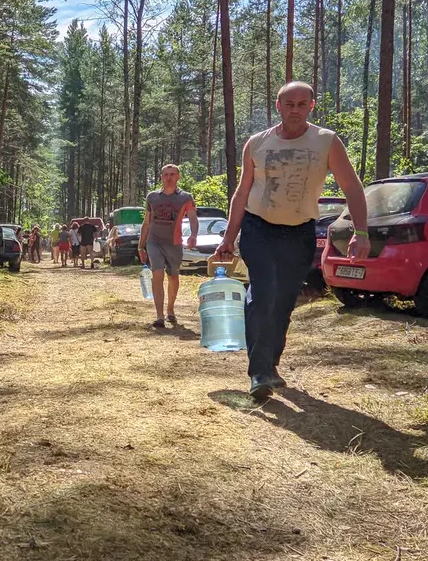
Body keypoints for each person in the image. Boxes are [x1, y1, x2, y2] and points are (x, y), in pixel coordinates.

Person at [214, 81, 370, 399]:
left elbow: (352, 188)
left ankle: (271, 365)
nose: (295, 110)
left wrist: (362, 232)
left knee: (284, 302)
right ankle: (258, 372)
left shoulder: (326, 142)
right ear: (278, 106)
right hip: (258, 229)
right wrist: (229, 238)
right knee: (262, 293)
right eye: (289, 104)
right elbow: (242, 193)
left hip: (299, 232)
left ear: (311, 106)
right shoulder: (257, 144)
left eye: (302, 104)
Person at [138, 164, 198, 328]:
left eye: (172, 174)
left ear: (178, 177)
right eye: (166, 175)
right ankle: (159, 316)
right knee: (157, 273)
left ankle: (170, 309)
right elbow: (147, 222)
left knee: (173, 277)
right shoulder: (152, 197)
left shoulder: (186, 197)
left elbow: (193, 217)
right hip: (154, 241)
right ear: (161, 177)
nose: (169, 177)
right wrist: (140, 246)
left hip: (174, 243)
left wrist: (193, 235)